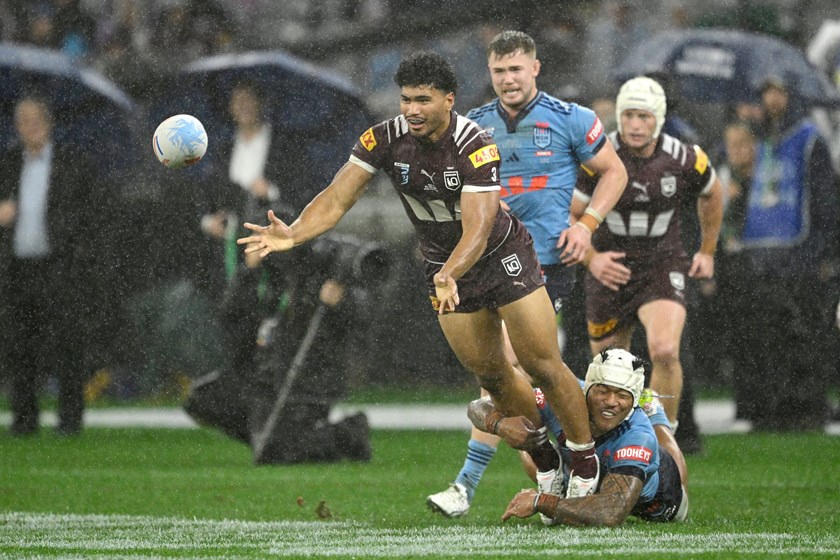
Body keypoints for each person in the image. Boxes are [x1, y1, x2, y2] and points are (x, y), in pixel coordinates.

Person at [238, 51, 603, 495]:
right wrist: (294, 234)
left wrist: (450, 273)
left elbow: (480, 225)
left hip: (502, 258)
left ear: (449, 100)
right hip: (444, 269)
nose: (411, 109)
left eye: (422, 100)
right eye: (406, 99)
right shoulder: (383, 139)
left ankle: (585, 462)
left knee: (542, 364)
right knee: (492, 376)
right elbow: (337, 198)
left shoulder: (475, 143)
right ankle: (548, 458)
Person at [426, 30, 628, 518]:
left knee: (516, 364)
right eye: (499, 71)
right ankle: (561, 462)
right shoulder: (471, 125)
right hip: (484, 265)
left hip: (543, 265)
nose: (508, 79)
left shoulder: (570, 119)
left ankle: (478, 482)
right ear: (489, 74)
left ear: (535, 69)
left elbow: (614, 172)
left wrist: (587, 225)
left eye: (516, 69)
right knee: (495, 372)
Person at [571, 76, 724, 430]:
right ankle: (617, 441)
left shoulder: (686, 158)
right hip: (611, 264)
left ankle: (662, 442)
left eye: (644, 117)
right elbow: (571, 216)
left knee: (666, 350)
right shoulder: (596, 158)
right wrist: (593, 259)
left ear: (659, 118)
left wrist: (707, 250)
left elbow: (713, 193)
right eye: (628, 116)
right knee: (609, 368)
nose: (635, 125)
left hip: (661, 261)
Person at [728, 75, 839, 430]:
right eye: (767, 92)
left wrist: (822, 252)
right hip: (762, 251)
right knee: (766, 337)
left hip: (799, 250)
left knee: (803, 334)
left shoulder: (809, 140)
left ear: (792, 96)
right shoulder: (760, 138)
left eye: (779, 93)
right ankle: (770, 408)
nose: (772, 100)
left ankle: (806, 409)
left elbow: (825, 199)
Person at [469, 348, 688, 526]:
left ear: (633, 402)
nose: (611, 401)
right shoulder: (565, 397)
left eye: (622, 395)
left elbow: (611, 512)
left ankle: (653, 411)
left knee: (671, 461)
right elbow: (477, 406)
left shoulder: (638, 436)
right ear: (587, 389)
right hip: (580, 462)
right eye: (602, 391)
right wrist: (499, 424)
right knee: (529, 434)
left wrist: (541, 501)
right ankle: (555, 471)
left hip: (657, 500)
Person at [0, 94, 102, 436]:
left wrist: (68, 238)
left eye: (35, 120)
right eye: (23, 121)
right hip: (18, 268)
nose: (29, 127)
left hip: (58, 267)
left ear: (48, 123)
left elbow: (87, 216)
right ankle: (24, 419)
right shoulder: (8, 164)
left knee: (67, 345)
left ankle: (70, 420)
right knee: (20, 347)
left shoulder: (71, 164)